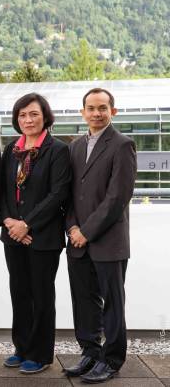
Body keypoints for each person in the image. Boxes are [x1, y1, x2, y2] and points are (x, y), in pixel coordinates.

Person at [63, 88, 136, 384]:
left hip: (107, 242)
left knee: (113, 304)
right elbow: (68, 194)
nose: (96, 113)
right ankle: (90, 353)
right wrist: (71, 228)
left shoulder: (122, 145)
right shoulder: (75, 146)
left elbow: (117, 197)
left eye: (102, 108)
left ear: (113, 111)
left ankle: (113, 360)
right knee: (84, 301)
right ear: (83, 112)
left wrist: (86, 232)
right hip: (77, 240)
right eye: (91, 108)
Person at [0, 93, 71, 374]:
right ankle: (22, 347)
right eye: (22, 115)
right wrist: (9, 221)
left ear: (45, 117)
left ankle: (40, 354)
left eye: (33, 115)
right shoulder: (10, 150)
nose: (27, 120)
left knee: (41, 295)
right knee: (19, 292)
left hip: (43, 236)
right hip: (13, 235)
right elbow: (2, 191)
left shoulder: (57, 150)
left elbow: (58, 194)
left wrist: (26, 224)